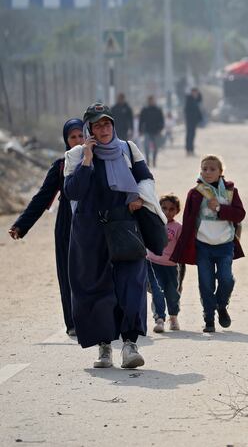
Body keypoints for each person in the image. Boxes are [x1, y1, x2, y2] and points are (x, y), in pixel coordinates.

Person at [64, 103, 163, 369]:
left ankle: (130, 345)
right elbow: (73, 191)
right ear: (89, 129)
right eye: (97, 125)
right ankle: (104, 347)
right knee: (97, 290)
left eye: (107, 123)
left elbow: (146, 178)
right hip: (90, 232)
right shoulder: (75, 156)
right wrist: (87, 159)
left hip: (124, 227)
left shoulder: (128, 149)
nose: (104, 129)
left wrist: (139, 197)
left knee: (131, 284)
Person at [8, 118, 84, 336]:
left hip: (93, 224)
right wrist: (21, 225)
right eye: (73, 137)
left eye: (81, 135)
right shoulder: (61, 166)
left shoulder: (97, 160)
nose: (77, 141)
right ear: (66, 140)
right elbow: (42, 198)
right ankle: (72, 322)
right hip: (66, 225)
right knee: (67, 273)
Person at [171, 155, 246, 333]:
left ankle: (221, 305)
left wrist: (220, 209)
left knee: (226, 279)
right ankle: (209, 319)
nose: (208, 172)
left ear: (221, 172)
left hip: (225, 244)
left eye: (212, 169)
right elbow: (188, 221)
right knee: (206, 283)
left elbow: (240, 215)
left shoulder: (230, 191)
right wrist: (182, 247)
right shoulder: (195, 193)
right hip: (202, 245)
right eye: (204, 169)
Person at [146, 194, 183, 333]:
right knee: (157, 290)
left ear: (177, 211)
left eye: (171, 209)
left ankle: (173, 317)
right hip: (152, 263)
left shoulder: (178, 227)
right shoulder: (154, 223)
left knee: (173, 293)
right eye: (164, 208)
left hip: (171, 266)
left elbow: (181, 246)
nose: (167, 212)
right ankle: (159, 319)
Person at [139, 95, 165, 167]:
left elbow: (161, 120)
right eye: (150, 101)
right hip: (147, 131)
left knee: (156, 147)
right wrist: (140, 130)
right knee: (146, 147)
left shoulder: (158, 110)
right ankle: (147, 161)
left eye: (152, 100)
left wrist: (160, 129)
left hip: (156, 131)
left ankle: (154, 161)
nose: (151, 102)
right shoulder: (145, 110)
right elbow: (141, 120)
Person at [184, 87, 203, 156]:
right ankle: (188, 149)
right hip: (189, 121)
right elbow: (187, 111)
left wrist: (199, 92)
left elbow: (200, 99)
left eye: (196, 93)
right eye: (195, 92)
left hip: (194, 121)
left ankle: (191, 149)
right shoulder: (189, 99)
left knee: (193, 135)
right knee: (189, 135)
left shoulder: (195, 100)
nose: (196, 94)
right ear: (192, 92)